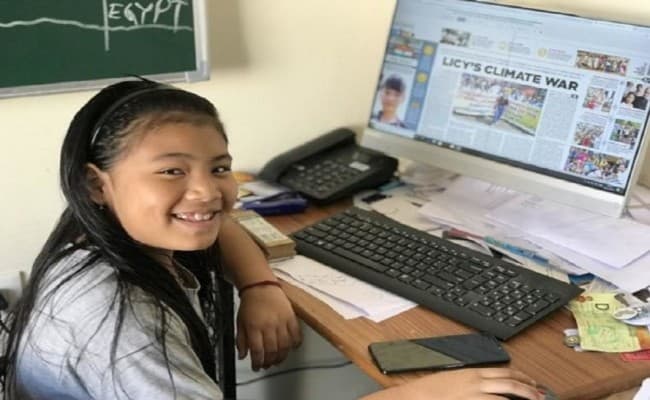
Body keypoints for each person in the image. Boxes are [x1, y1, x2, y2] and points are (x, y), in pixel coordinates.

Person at [0, 80, 543, 400]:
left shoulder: (93, 236)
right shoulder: (123, 324)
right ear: (96, 183)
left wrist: (259, 285)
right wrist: (417, 395)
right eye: (171, 171)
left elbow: (219, 223)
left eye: (219, 168)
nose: (206, 192)